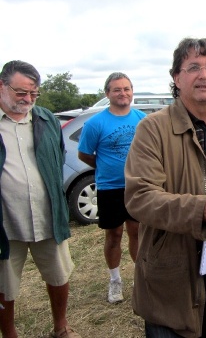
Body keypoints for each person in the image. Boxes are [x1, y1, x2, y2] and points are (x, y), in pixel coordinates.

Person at [124, 37, 206, 338]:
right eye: (193, 67)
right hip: (170, 273)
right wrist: (203, 209)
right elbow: (140, 198)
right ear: (176, 77)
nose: (203, 74)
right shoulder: (152, 129)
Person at [0, 60, 81, 338]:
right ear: (2, 86)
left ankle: (61, 327)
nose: (28, 100)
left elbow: (56, 157)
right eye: (21, 93)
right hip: (5, 221)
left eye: (34, 94)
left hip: (47, 214)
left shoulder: (45, 118)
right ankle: (9, 333)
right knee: (4, 283)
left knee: (59, 275)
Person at [78, 72, 145, 304]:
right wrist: (104, 166)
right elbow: (84, 153)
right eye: (117, 89)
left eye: (126, 88)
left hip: (137, 186)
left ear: (132, 92)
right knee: (114, 234)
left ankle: (141, 279)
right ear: (107, 94)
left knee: (137, 232)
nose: (122, 93)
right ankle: (115, 280)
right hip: (110, 187)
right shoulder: (96, 123)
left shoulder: (142, 119)